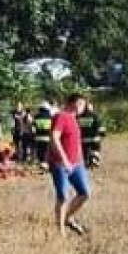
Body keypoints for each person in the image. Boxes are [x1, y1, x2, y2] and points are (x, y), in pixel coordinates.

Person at [48, 93, 92, 237]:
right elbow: (55, 138)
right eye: (81, 104)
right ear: (73, 103)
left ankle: (66, 218)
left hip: (77, 163)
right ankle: (60, 231)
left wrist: (80, 160)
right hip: (60, 164)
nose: (83, 107)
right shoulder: (61, 116)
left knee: (85, 193)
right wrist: (64, 159)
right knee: (63, 196)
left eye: (84, 105)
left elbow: (75, 143)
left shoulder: (74, 119)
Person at [78, 101, 106, 169]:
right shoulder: (95, 116)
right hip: (94, 138)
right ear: (92, 108)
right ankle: (94, 160)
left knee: (84, 151)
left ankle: (85, 162)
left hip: (83, 139)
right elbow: (100, 127)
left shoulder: (79, 116)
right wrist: (102, 134)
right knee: (96, 149)